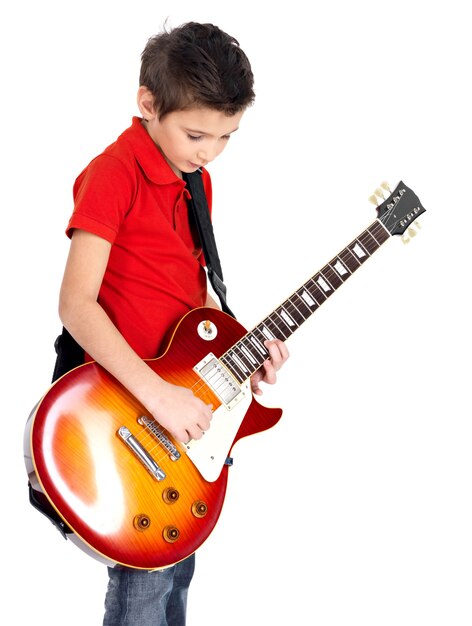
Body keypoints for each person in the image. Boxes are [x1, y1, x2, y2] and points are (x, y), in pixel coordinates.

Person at [58, 21, 289, 625]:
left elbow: (195, 303)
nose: (209, 151)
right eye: (196, 134)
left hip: (184, 405)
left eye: (226, 137)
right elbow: (76, 305)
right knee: (146, 579)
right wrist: (158, 395)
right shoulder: (113, 174)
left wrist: (244, 350)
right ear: (147, 104)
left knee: (175, 567)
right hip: (127, 409)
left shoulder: (196, 181)